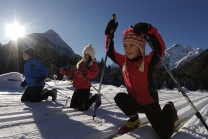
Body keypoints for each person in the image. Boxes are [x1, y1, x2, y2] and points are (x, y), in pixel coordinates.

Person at [104, 22, 179, 139]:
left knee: (165, 134)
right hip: (135, 102)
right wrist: (109, 34)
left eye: (131, 45)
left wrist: (149, 30)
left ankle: (170, 110)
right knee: (119, 97)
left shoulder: (148, 61)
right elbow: (110, 51)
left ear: (140, 47)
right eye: (125, 45)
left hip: (150, 104)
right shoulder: (124, 61)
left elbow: (160, 49)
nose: (127, 49)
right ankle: (134, 119)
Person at [60, 43, 99, 111]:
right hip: (77, 88)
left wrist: (86, 73)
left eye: (87, 54)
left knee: (82, 108)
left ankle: (95, 97)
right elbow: (73, 71)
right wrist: (66, 71)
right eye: (84, 54)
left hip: (85, 89)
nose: (85, 56)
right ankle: (85, 99)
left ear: (91, 55)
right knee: (73, 106)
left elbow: (93, 74)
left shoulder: (93, 64)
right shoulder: (81, 63)